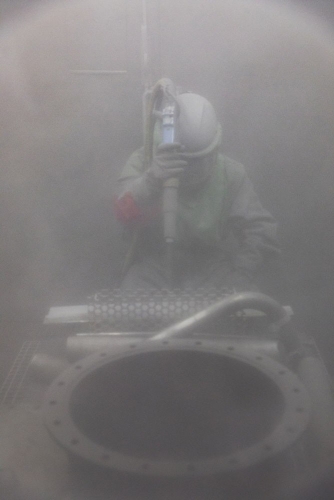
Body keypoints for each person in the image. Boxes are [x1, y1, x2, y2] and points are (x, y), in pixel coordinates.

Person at [115, 90, 280, 291]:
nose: (192, 171)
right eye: (185, 161)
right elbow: (121, 214)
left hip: (210, 267)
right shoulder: (144, 163)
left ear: (216, 148)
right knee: (130, 306)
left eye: (200, 160)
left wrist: (242, 274)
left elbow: (261, 229)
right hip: (152, 266)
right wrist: (150, 181)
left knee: (238, 306)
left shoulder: (231, 174)